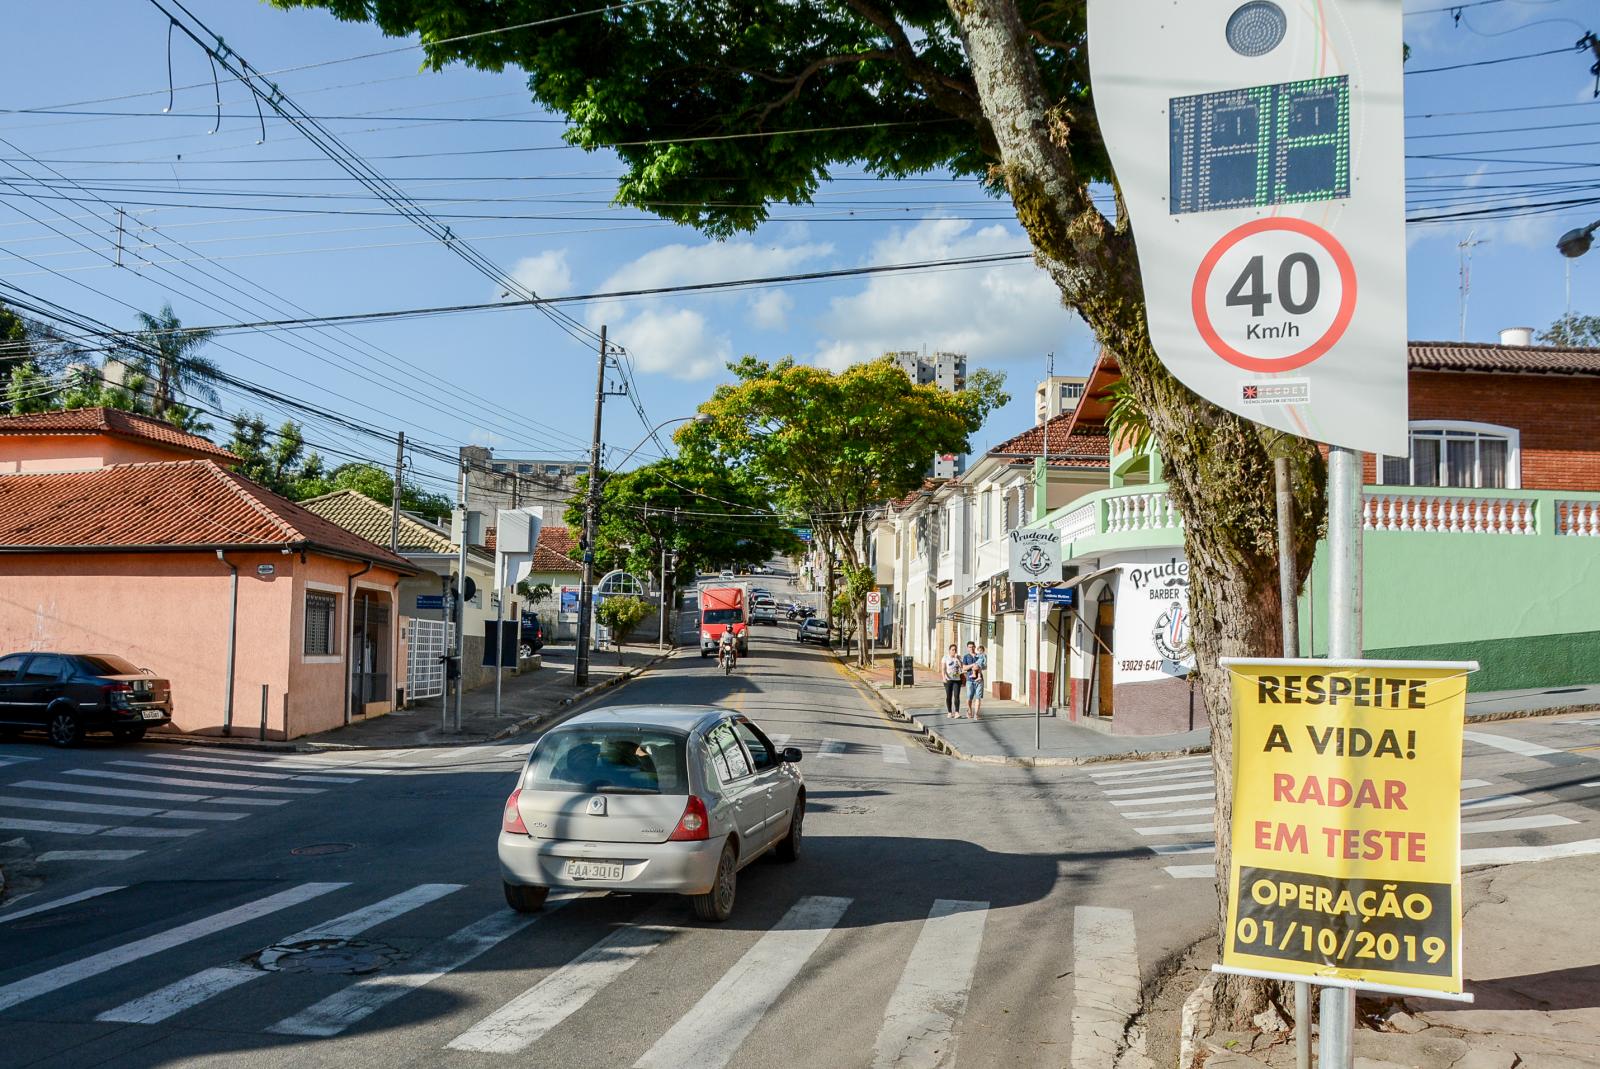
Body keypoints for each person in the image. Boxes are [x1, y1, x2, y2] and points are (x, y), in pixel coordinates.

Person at [941, 644, 964, 717]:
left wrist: (958, 659)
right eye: (953, 650)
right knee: (949, 696)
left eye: (955, 650)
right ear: (949, 650)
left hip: (957, 679)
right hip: (948, 679)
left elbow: (962, 667)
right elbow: (943, 668)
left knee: (957, 695)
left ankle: (957, 712)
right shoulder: (945, 657)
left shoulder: (958, 657)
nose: (954, 651)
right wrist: (944, 677)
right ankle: (949, 712)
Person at [966, 644, 989, 718]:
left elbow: (985, 666)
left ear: (975, 647)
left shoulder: (979, 656)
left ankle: (976, 714)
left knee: (978, 697)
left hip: (979, 681)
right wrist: (973, 665)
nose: (971, 648)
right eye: (970, 647)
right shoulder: (966, 657)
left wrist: (980, 666)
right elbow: (963, 668)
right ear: (967, 648)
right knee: (969, 697)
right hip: (970, 680)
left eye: (973, 647)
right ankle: (969, 710)